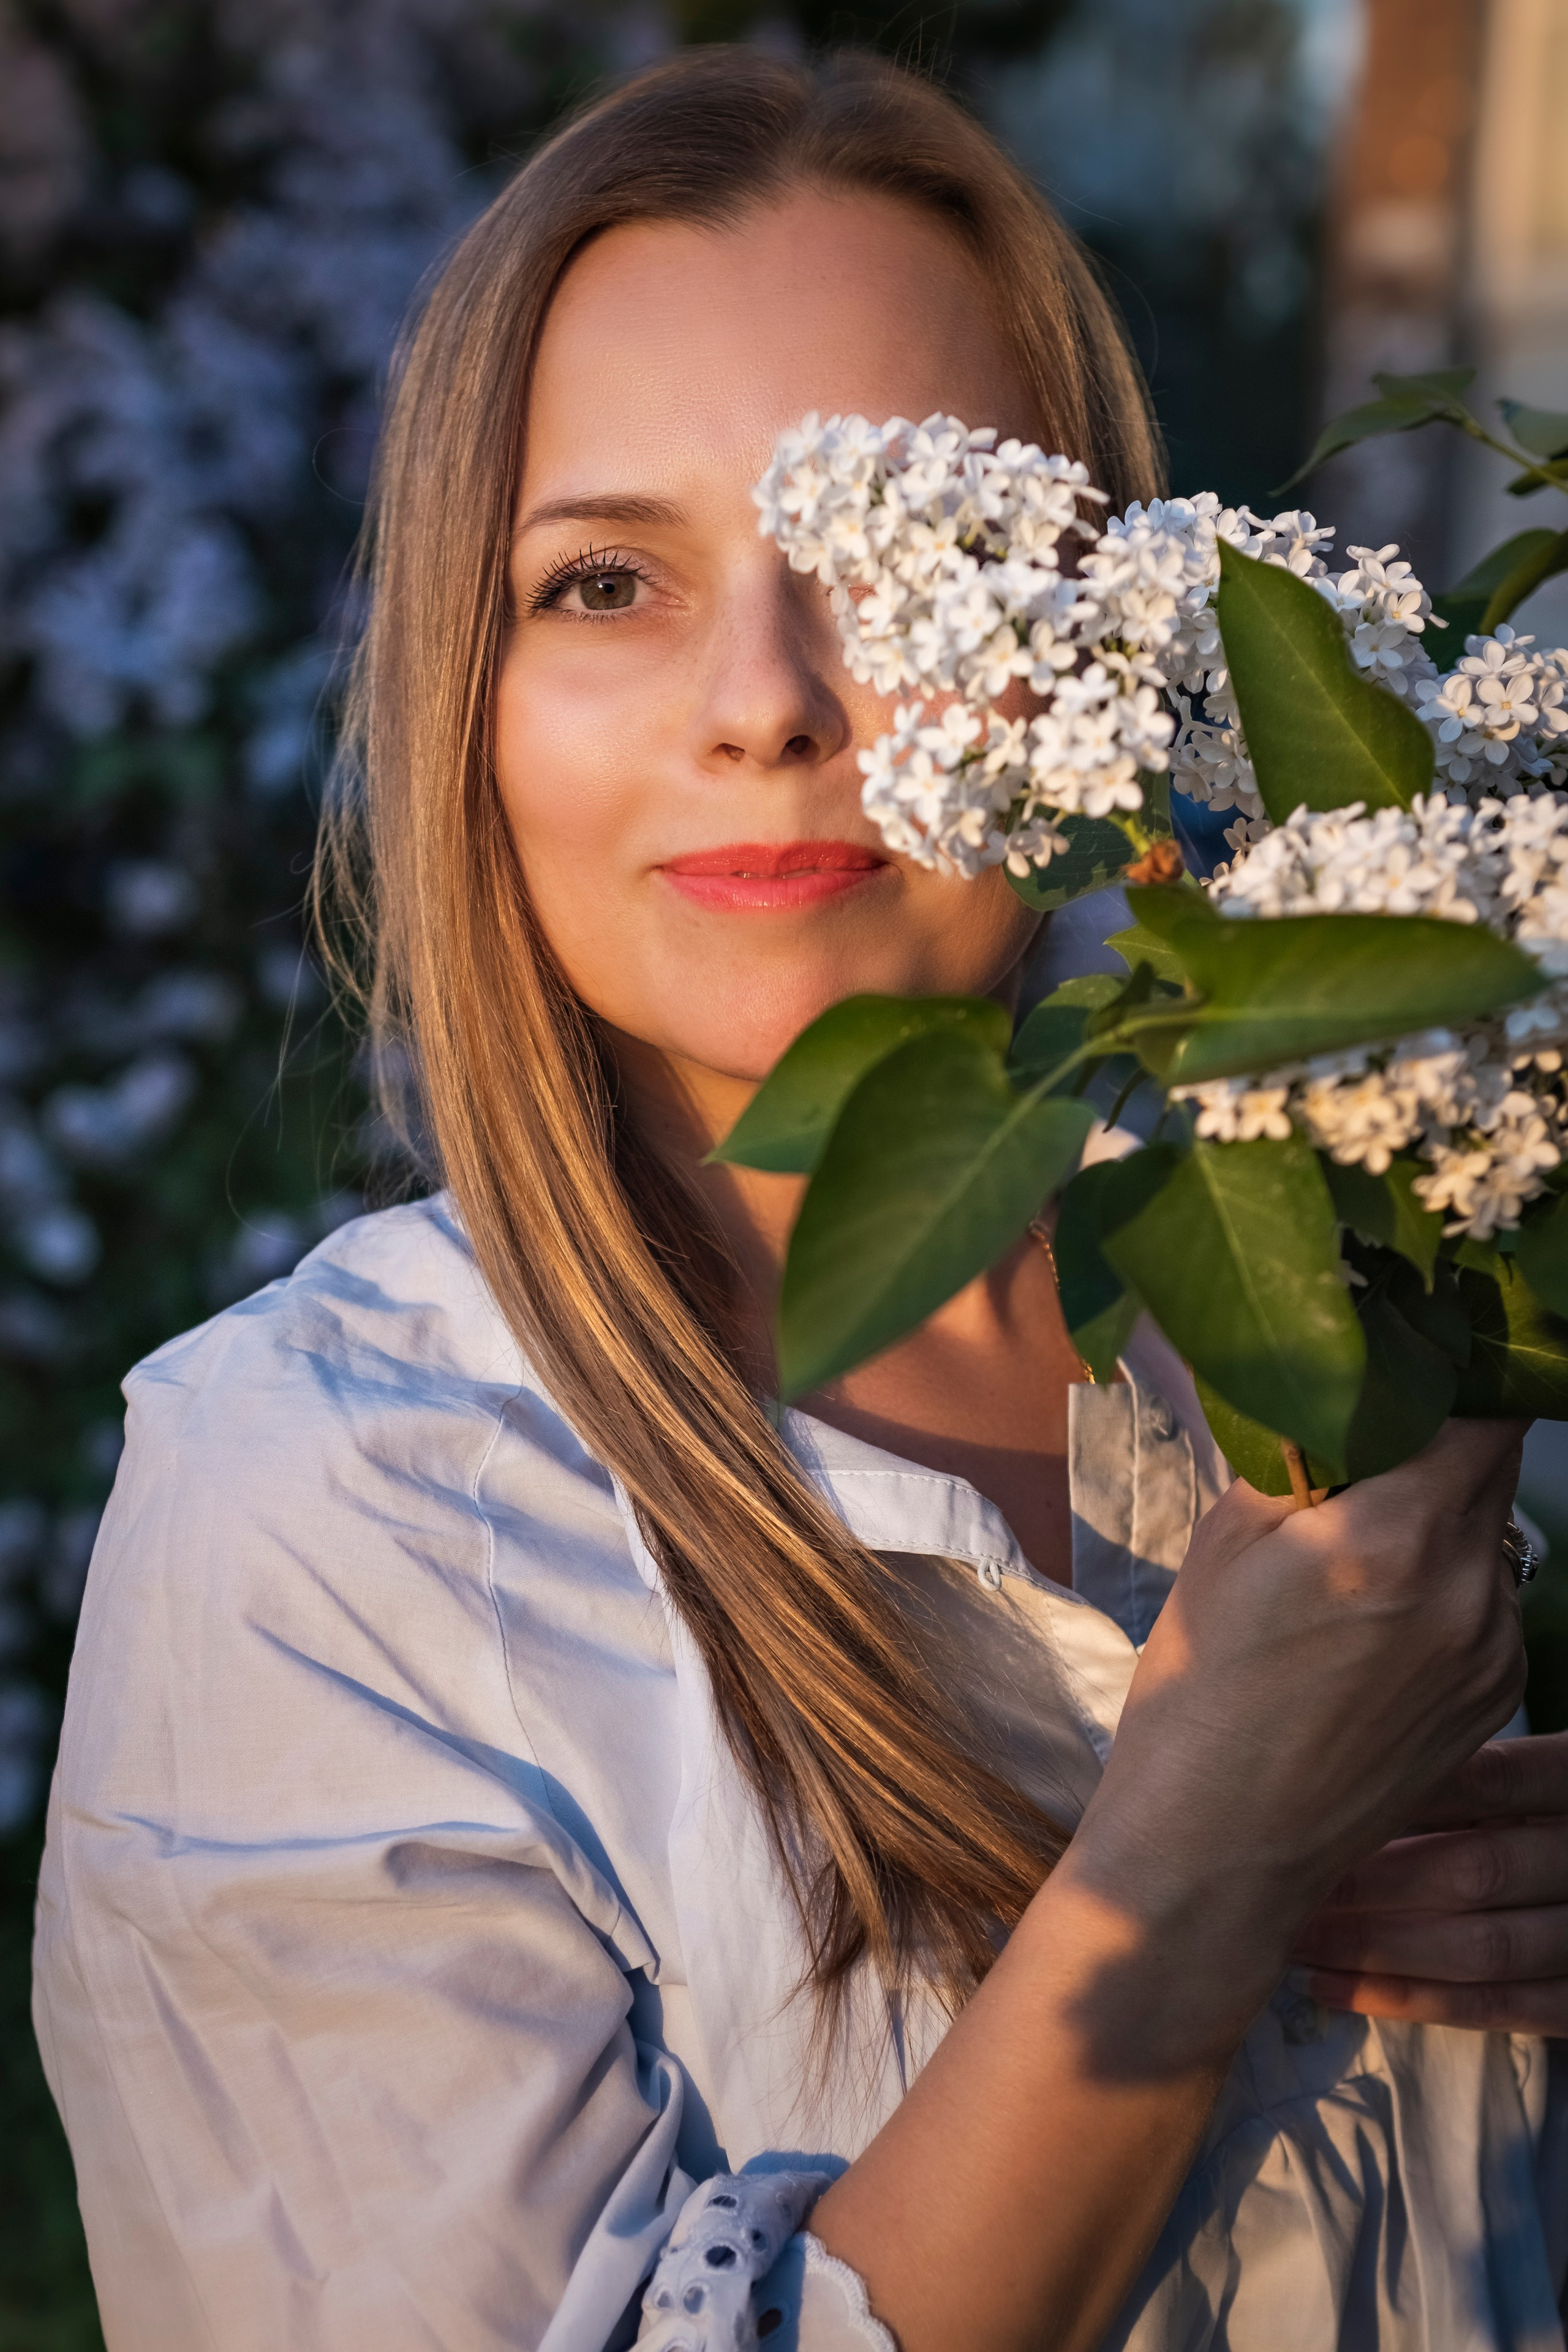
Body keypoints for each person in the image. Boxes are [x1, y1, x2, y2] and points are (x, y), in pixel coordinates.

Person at [32, 46, 1568, 2352]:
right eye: (609, 578)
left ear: (1118, 642)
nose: (767, 701)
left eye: (896, 567)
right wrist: (1205, 1850)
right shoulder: (322, 1514)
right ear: (466, 687)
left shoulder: (1388, 1274)